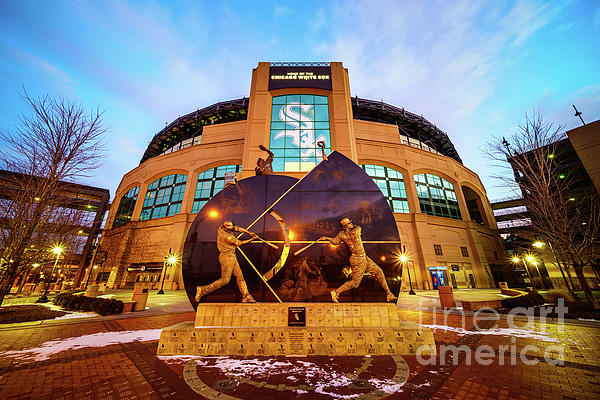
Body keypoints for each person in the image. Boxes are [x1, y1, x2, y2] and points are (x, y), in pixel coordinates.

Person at [320, 217, 397, 303]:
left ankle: (389, 294)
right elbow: (358, 226)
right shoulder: (356, 230)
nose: (351, 224)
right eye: (349, 223)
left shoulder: (342, 234)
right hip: (358, 259)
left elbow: (334, 242)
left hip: (363, 257)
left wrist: (326, 238)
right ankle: (336, 292)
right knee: (355, 283)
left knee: (379, 272)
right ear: (345, 226)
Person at [195, 221, 258, 303]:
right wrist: (252, 239)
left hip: (232, 256)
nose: (231, 230)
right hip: (226, 257)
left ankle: (246, 296)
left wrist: (249, 233)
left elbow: (237, 228)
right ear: (225, 228)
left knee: (240, 277)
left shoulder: (221, 228)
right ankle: (202, 290)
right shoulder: (226, 236)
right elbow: (239, 243)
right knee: (225, 280)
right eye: (229, 229)